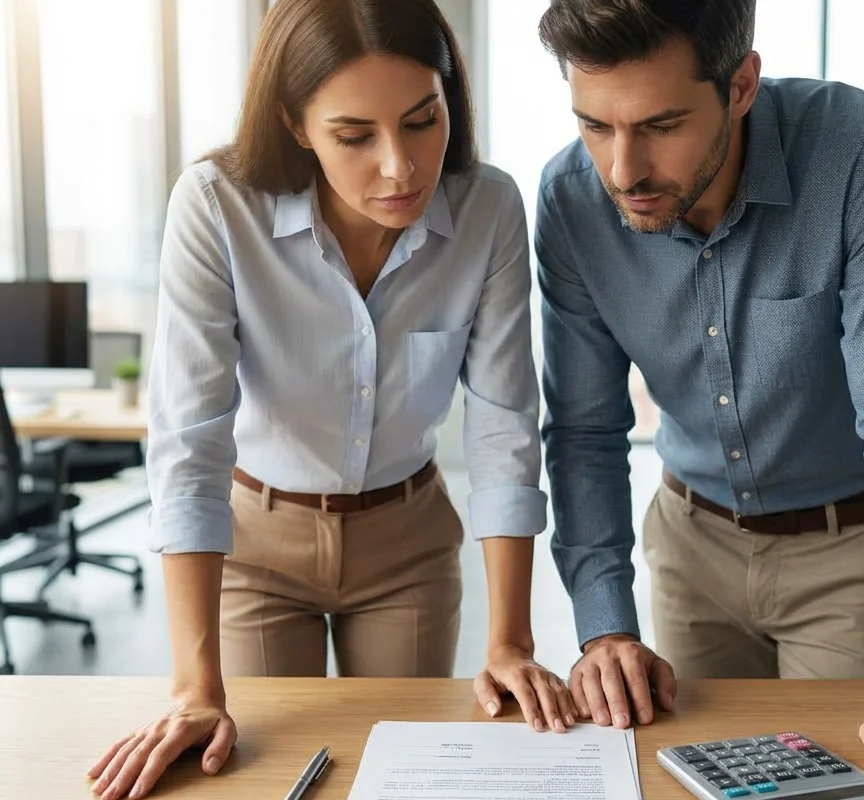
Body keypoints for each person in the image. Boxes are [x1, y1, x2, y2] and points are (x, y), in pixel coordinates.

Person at [533, 1, 864, 799]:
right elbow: (586, 431)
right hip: (690, 547)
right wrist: (605, 628)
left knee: (860, 781)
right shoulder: (570, 201)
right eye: (594, 126)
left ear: (741, 85)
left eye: (660, 125)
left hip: (847, 554)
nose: (622, 171)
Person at [87, 1, 576, 798]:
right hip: (256, 548)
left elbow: (503, 427)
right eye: (356, 136)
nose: (401, 167)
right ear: (296, 123)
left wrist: (512, 640)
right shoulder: (217, 207)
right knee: (252, 776)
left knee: (408, 774)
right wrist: (193, 688)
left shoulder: (488, 207)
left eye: (424, 120)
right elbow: (191, 441)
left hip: (407, 545)